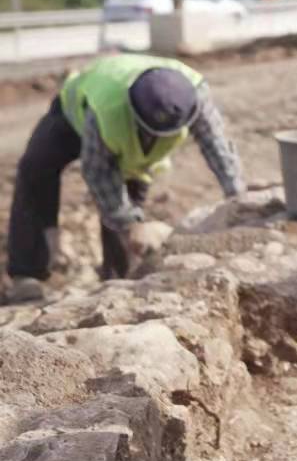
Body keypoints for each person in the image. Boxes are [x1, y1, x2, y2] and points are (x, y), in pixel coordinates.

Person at [4, 54, 246, 303]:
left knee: (129, 209)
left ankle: (116, 284)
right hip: (73, 111)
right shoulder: (107, 110)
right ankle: (27, 274)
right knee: (35, 168)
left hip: (130, 142)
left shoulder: (196, 95)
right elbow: (97, 171)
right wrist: (129, 222)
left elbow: (216, 144)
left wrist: (236, 193)